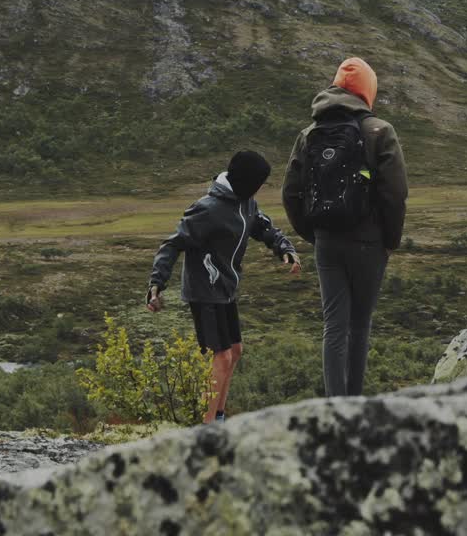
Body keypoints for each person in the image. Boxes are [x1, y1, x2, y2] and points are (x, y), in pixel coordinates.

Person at [282, 57, 408, 397]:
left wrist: (315, 235)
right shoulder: (380, 131)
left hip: (326, 242)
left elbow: (290, 193)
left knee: (333, 326)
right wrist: (389, 241)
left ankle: (333, 407)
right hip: (369, 243)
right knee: (359, 325)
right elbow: (394, 194)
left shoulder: (309, 134)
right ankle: (354, 405)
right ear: (367, 91)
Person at [147, 150, 300, 424]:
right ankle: (207, 429)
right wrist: (157, 284)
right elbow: (172, 244)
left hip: (226, 288)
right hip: (204, 291)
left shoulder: (246, 203)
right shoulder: (208, 209)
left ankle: (218, 416)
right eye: (258, 184)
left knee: (235, 350)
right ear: (245, 180)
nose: (259, 190)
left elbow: (263, 227)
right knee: (222, 355)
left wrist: (284, 248)